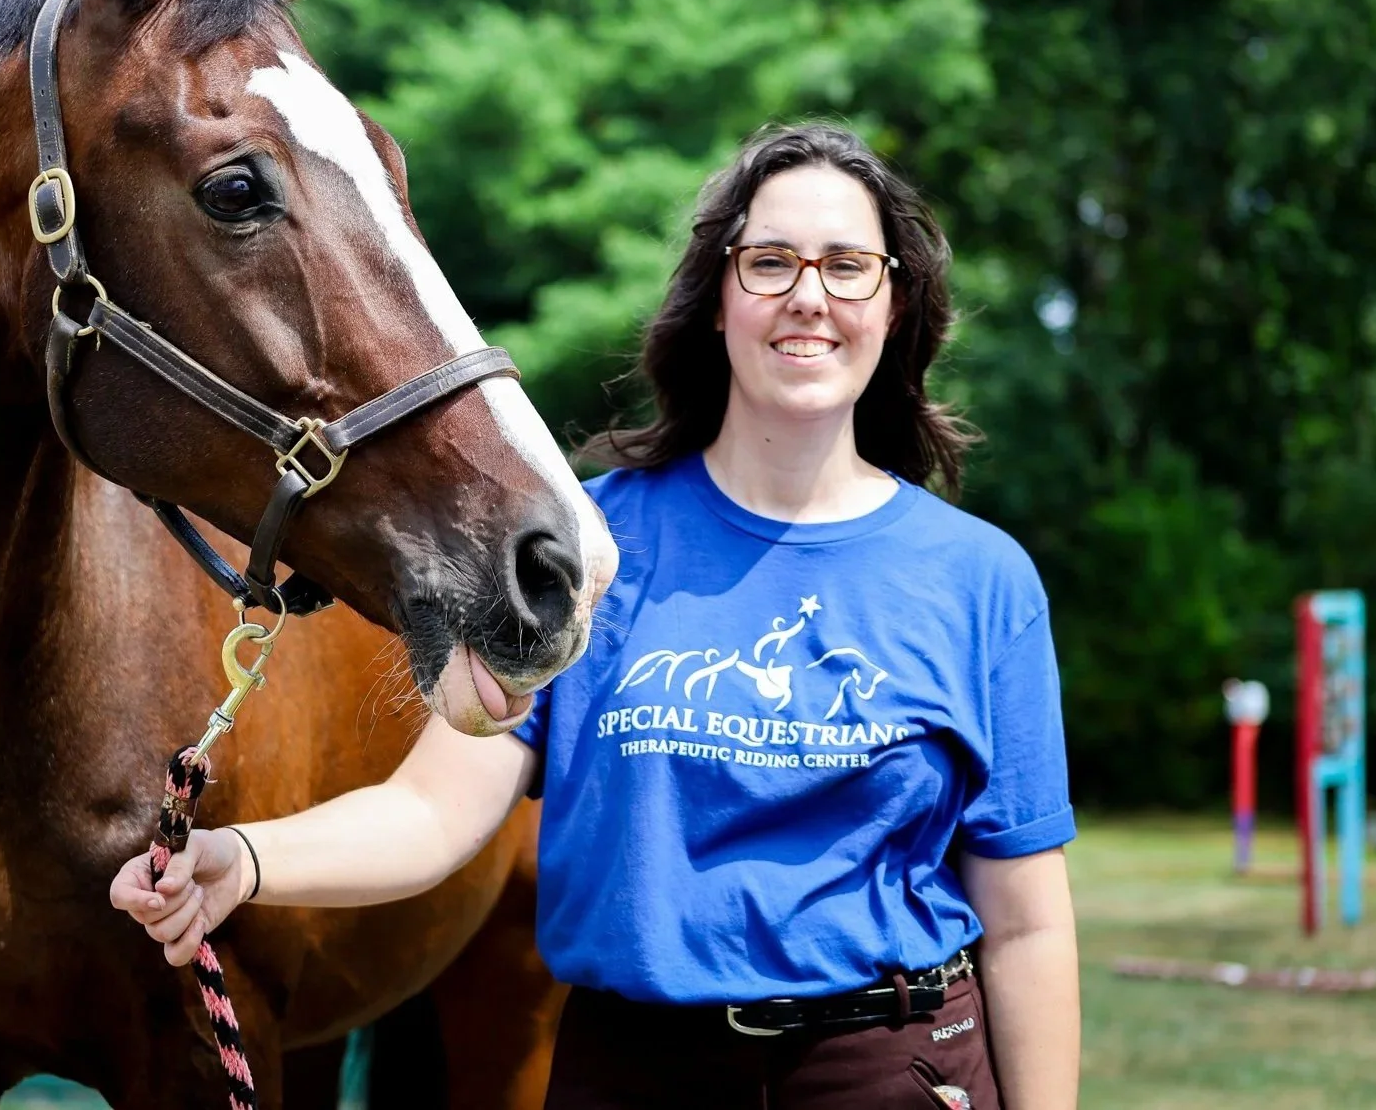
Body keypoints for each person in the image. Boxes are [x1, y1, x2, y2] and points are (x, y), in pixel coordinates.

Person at [110, 123, 1080, 1109]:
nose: (808, 295)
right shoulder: (584, 550)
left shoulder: (979, 580)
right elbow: (432, 811)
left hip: (890, 1069)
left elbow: (1027, 923)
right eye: (770, 262)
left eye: (846, 265)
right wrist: (239, 861)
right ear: (718, 298)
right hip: (632, 1071)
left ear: (893, 301)